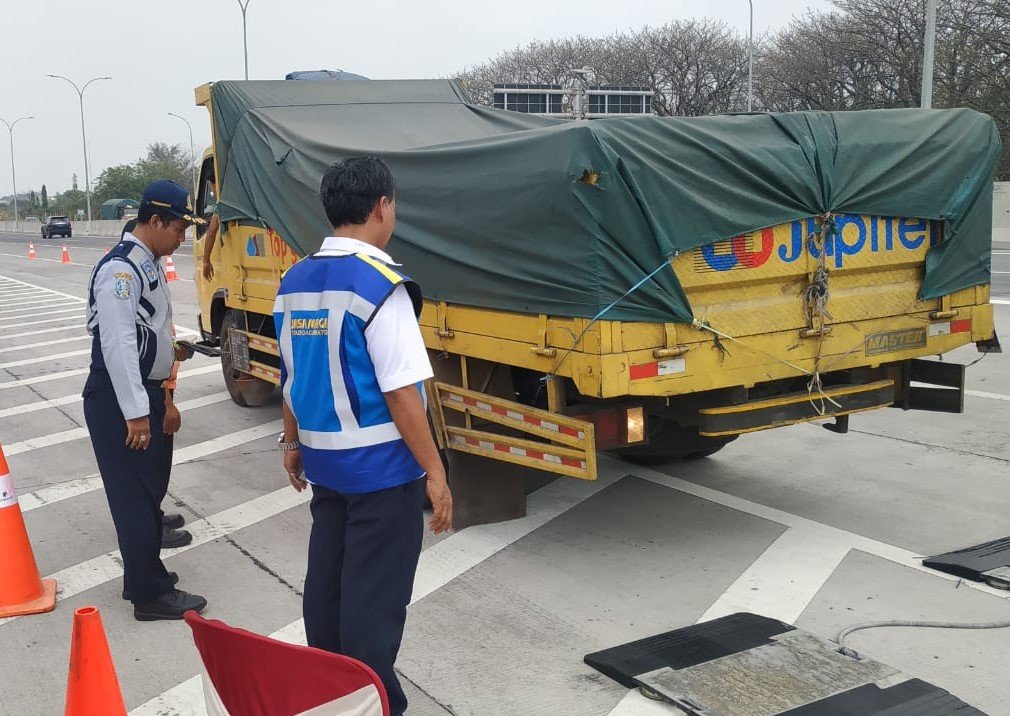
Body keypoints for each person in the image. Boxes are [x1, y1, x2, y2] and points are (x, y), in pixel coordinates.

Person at [274, 156, 452, 716]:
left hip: (326, 470)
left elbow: (291, 375)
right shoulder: (382, 285)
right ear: (381, 207)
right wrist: (436, 471)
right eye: (393, 203)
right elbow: (402, 394)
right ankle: (375, 705)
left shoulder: (294, 282)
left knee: (327, 598)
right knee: (374, 611)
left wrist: (292, 443)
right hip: (382, 476)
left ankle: (331, 695)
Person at [84, 180, 207, 621]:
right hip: (120, 398)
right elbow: (117, 344)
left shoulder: (146, 262)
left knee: (147, 489)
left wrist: (168, 355)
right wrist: (136, 413)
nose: (182, 238)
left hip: (142, 391)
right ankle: (149, 594)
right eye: (178, 229)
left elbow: (146, 330)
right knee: (134, 498)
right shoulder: (120, 271)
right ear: (155, 221)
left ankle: (145, 573)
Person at [121, 219, 188, 549]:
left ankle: (155, 516)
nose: (181, 240)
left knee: (158, 463)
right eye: (178, 231)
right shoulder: (128, 273)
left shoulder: (154, 269)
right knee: (149, 468)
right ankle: (151, 529)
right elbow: (127, 352)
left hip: (162, 383)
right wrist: (164, 403)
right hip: (153, 389)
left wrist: (175, 350)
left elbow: (157, 335)